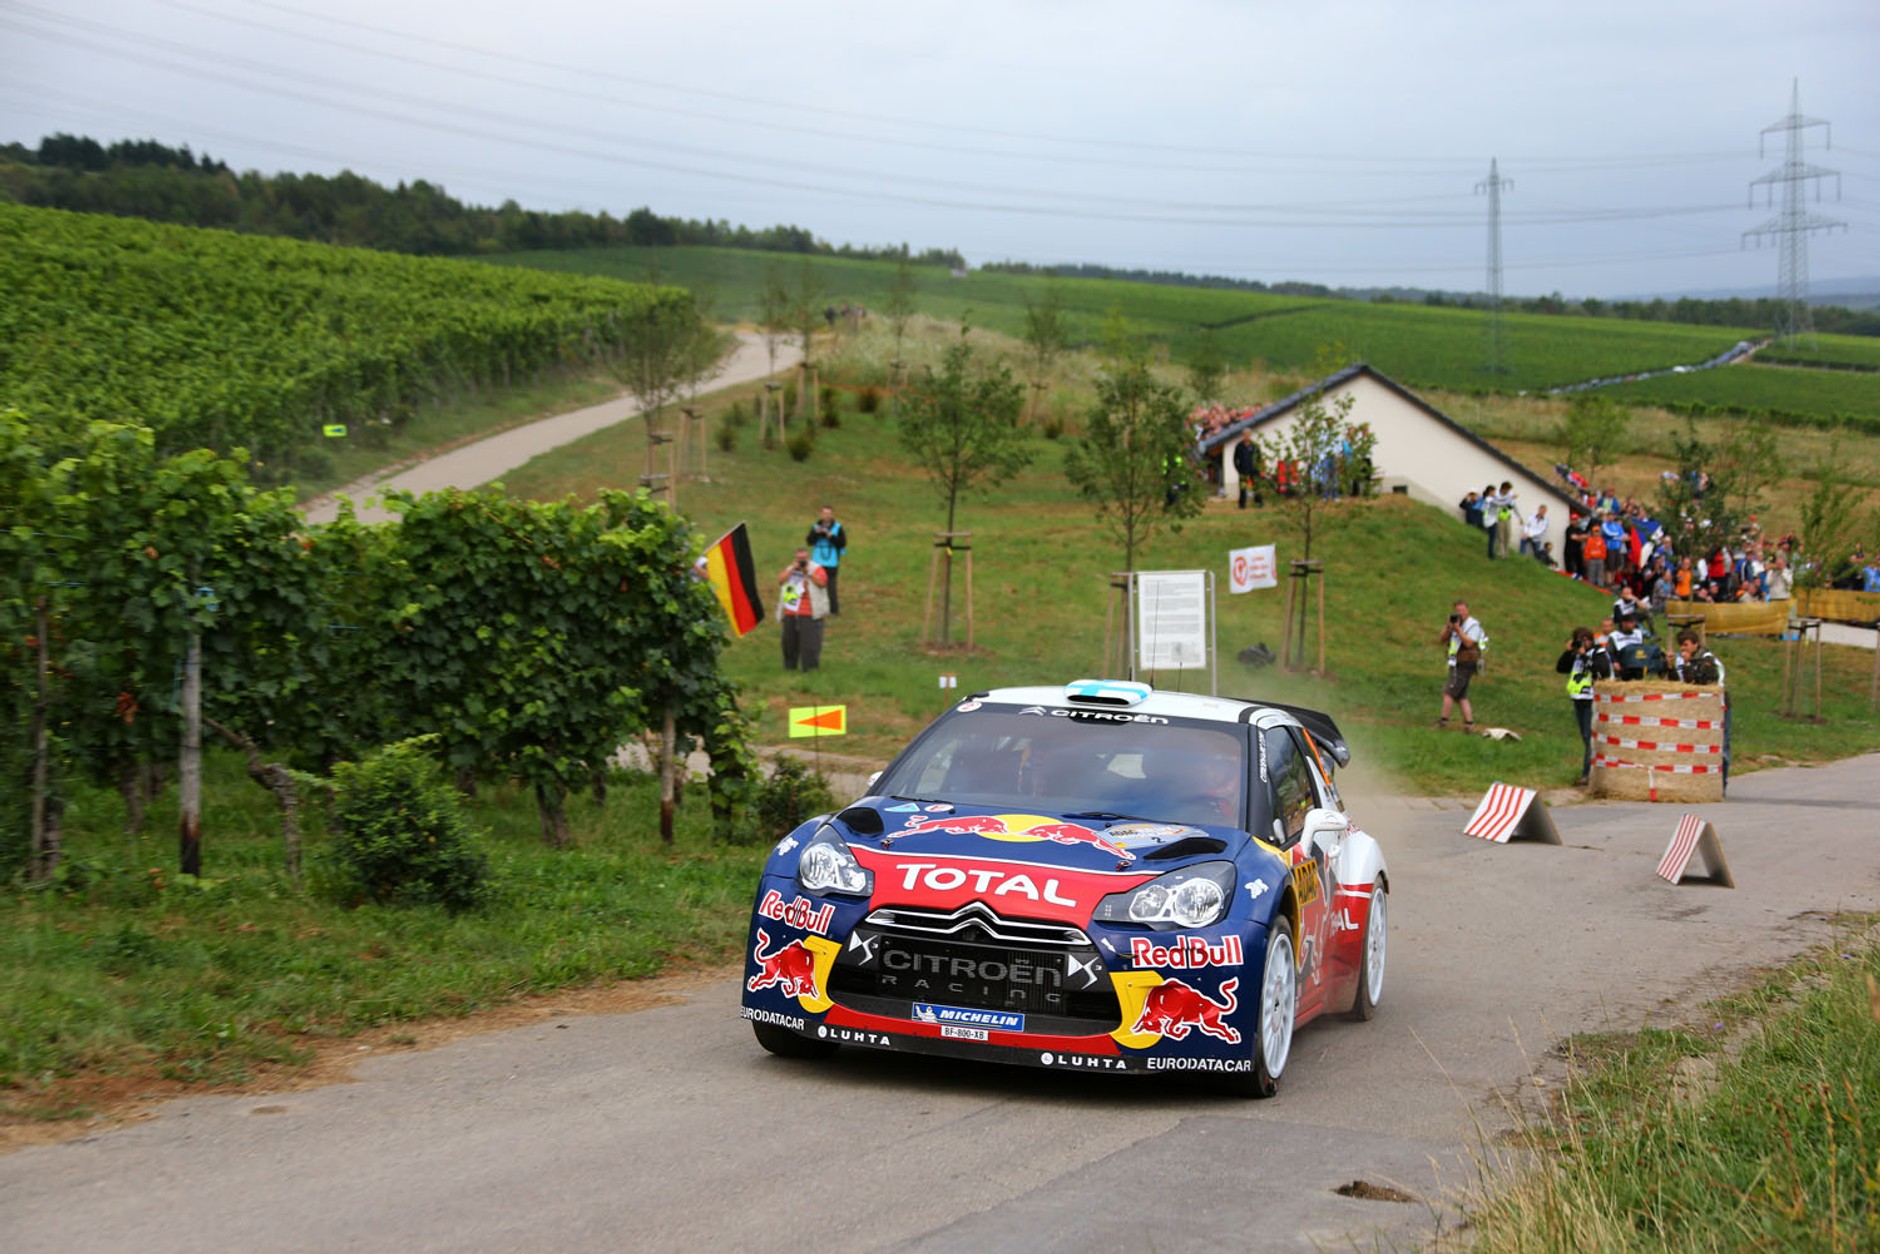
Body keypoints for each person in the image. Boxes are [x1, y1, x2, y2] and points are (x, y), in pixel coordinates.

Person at [1556, 626, 1614, 785]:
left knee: (1590, 736)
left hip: (1592, 699)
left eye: (1586, 639)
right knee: (1585, 736)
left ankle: (1586, 774)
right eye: (1580, 640)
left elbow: (1601, 671)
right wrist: (1569, 652)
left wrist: (1584, 656)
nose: (1584, 643)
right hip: (1578, 698)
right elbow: (1560, 668)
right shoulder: (1574, 655)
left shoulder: (1598, 653)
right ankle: (1591, 770)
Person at [1672, 629, 1729, 789]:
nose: (1683, 650)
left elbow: (1706, 681)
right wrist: (1672, 666)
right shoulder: (1682, 660)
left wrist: (1689, 664)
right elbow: (1682, 682)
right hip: (1695, 707)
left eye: (1686, 645)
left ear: (1695, 645)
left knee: (1721, 745)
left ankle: (1720, 783)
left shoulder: (1708, 659)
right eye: (1681, 646)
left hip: (1716, 705)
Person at [1436, 599, 1487, 732]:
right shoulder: (1455, 623)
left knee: (1448, 692)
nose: (1460, 613)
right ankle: (1469, 724)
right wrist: (1449, 627)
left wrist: (1458, 630)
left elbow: (1469, 643)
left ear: (1467, 610)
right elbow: (1441, 640)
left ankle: (1443, 721)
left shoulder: (1473, 625)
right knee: (1461, 696)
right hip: (1457, 662)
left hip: (1466, 663)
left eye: (1462, 610)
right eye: (1457, 611)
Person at [776, 548, 829, 671]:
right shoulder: (791, 569)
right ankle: (789, 667)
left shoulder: (816, 568)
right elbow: (780, 580)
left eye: (803, 559)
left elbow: (822, 583)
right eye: (799, 559)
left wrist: (807, 572)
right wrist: (792, 570)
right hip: (791, 610)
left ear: (808, 558)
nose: (801, 562)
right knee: (789, 642)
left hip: (810, 611)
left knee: (810, 643)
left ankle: (810, 668)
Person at [805, 505, 848, 615]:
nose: (827, 516)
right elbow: (809, 541)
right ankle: (816, 608)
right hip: (817, 561)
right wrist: (816, 533)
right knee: (814, 584)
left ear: (832, 515)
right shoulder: (815, 527)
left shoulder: (838, 527)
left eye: (829, 513)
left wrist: (831, 537)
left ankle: (833, 610)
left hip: (831, 561)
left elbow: (842, 543)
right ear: (821, 514)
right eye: (825, 513)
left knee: (831, 586)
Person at [1233, 431, 1263, 509]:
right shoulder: (1239, 446)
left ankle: (1258, 503)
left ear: (1250, 435)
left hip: (1254, 470)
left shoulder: (1255, 446)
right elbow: (1235, 459)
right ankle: (1242, 505)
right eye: (1245, 435)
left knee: (1256, 487)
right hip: (1243, 471)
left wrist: (1259, 467)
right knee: (1243, 488)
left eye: (1248, 435)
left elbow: (1259, 458)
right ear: (1243, 436)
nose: (1246, 437)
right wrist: (1238, 469)